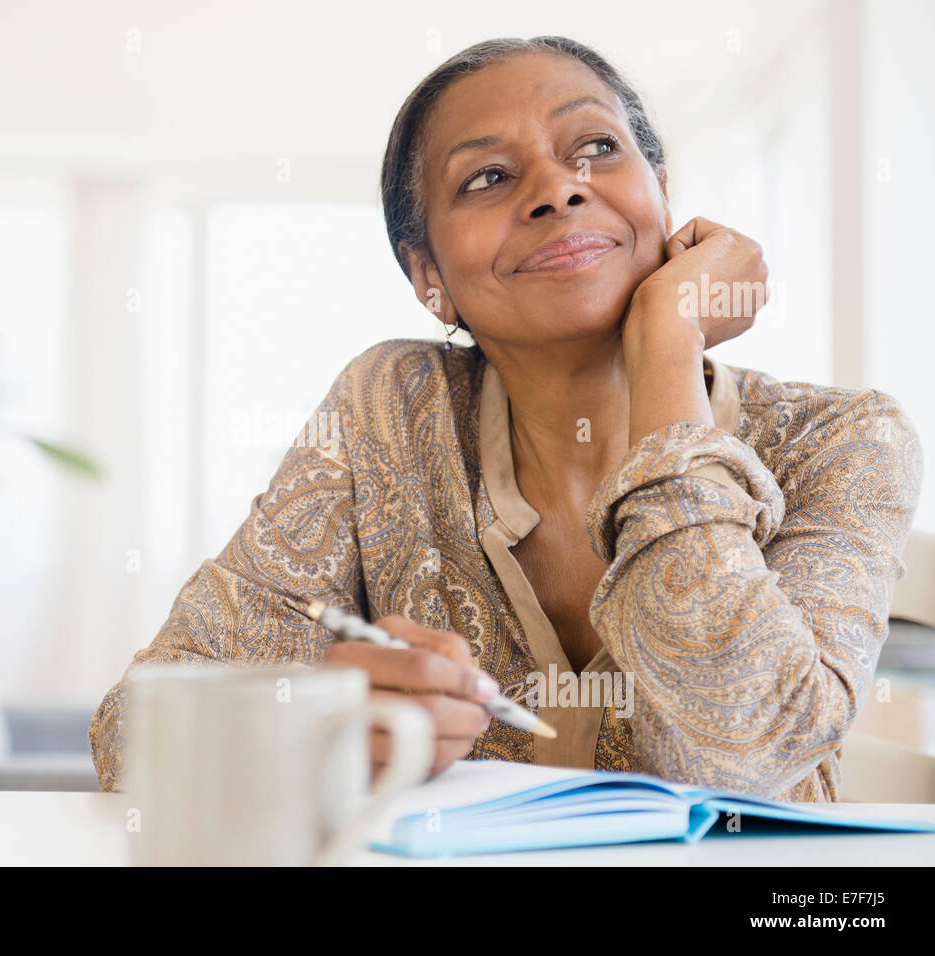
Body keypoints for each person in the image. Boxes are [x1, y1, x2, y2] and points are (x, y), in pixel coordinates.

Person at [89, 35, 923, 801]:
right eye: (486, 177)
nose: (559, 189)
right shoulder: (386, 409)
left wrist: (669, 342)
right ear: (429, 278)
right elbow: (133, 731)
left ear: (662, 198)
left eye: (596, 148)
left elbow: (743, 753)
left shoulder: (841, 439)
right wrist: (314, 725)